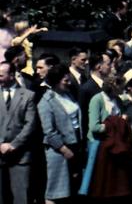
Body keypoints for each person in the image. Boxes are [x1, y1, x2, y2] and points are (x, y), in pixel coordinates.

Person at [37, 64, 82, 204]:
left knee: (72, 190)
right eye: (65, 81)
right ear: (56, 81)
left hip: (74, 145)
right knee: (56, 191)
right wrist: (63, 149)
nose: (68, 83)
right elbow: (49, 131)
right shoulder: (46, 101)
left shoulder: (69, 95)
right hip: (58, 151)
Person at [0, 61, 36, 204]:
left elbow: (30, 124)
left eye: (1, 75)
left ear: (12, 75)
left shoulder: (28, 96)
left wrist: (13, 145)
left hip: (21, 156)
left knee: (22, 198)